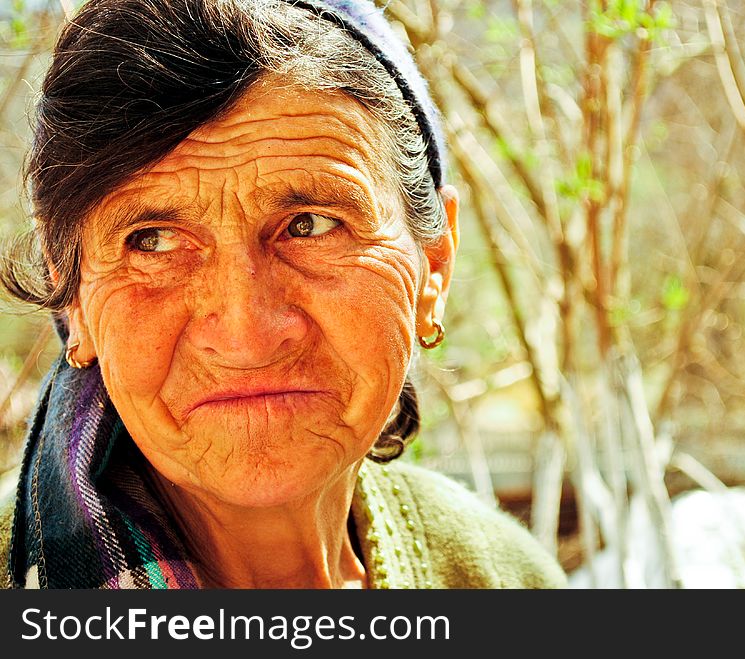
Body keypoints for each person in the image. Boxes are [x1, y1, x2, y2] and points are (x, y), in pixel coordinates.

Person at [0, 0, 566, 589]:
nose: (247, 334)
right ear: (74, 296)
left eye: (310, 225)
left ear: (435, 264)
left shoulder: (501, 576)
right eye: (155, 240)